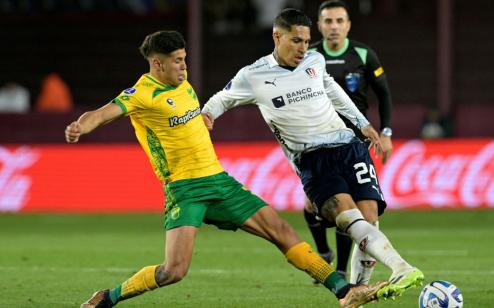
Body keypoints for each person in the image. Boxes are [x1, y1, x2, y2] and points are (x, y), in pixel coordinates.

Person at [67, 30, 386, 308]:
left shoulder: (183, 84)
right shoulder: (142, 94)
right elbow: (102, 113)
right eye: (177, 60)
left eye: (184, 58)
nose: (184, 65)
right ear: (157, 63)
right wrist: (81, 127)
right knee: (173, 271)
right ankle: (108, 297)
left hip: (219, 181)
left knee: (282, 232)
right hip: (185, 189)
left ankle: (345, 291)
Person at [202, 9, 424, 302]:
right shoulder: (253, 76)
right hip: (312, 159)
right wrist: (205, 117)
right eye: (296, 41)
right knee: (348, 217)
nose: (303, 48)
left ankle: (359, 292)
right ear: (276, 37)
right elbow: (218, 101)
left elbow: (333, 90)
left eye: (307, 41)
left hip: (348, 146)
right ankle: (401, 267)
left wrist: (363, 124)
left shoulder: (315, 61)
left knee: (369, 217)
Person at [304, 0, 394, 284]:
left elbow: (384, 95)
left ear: (348, 25)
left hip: (355, 142)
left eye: (339, 21)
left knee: (352, 209)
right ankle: (323, 252)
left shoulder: (364, 54)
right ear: (319, 26)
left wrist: (387, 132)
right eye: (328, 21)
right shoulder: (308, 55)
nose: (334, 27)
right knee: (310, 206)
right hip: (318, 141)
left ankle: (342, 269)